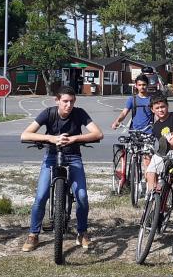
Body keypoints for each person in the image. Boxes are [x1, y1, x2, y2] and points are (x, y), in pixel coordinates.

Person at [20, 86, 104, 252]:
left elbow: (98, 134)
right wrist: (51, 138)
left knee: (82, 196)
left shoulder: (79, 113)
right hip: (52, 157)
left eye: (72, 101)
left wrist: (74, 138)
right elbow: (25, 135)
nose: (68, 105)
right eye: (65, 101)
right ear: (57, 100)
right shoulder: (48, 113)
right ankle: (33, 234)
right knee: (41, 196)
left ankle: (82, 232)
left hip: (73, 157)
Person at [147, 93, 173, 191]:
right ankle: (152, 197)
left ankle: (167, 145)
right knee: (150, 171)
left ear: (167, 106)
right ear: (152, 110)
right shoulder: (156, 126)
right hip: (163, 154)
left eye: (163, 107)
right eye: (157, 108)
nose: (160, 110)